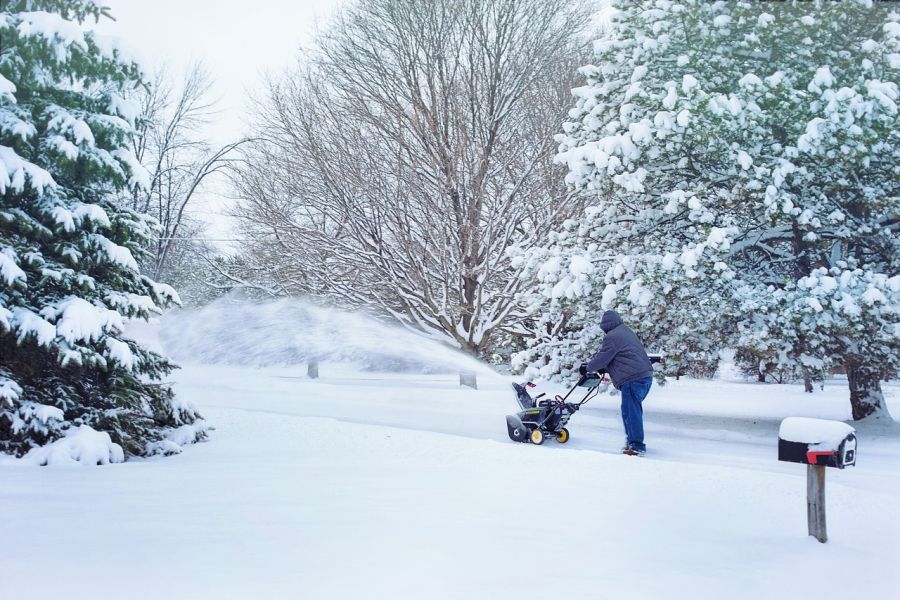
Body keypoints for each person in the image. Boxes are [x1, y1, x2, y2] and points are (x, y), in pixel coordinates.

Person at [579, 310, 653, 456]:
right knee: (629, 411)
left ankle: (637, 446)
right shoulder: (625, 332)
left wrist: (587, 367)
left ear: (606, 326)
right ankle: (632, 441)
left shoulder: (613, 336)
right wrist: (604, 367)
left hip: (633, 378)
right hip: (644, 376)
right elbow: (622, 357)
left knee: (631, 412)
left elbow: (603, 357)